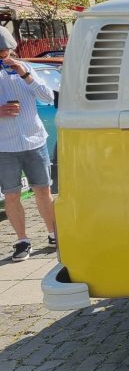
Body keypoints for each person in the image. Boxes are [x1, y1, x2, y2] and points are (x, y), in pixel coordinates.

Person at [0, 27, 56, 262]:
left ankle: (54, 234)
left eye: (6, 50)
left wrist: (26, 74)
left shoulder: (26, 67)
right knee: (11, 195)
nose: (4, 55)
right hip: (5, 146)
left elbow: (48, 97)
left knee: (43, 190)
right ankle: (22, 240)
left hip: (34, 140)